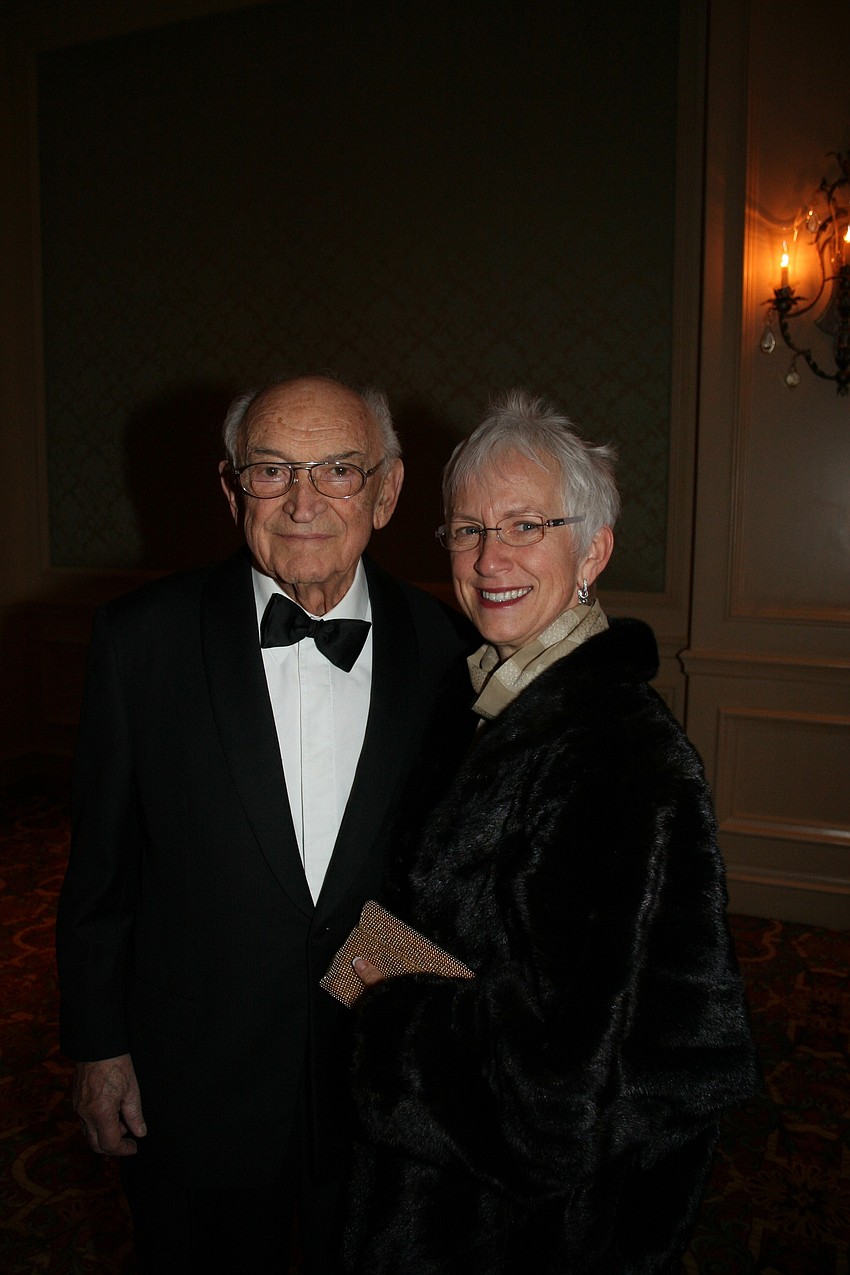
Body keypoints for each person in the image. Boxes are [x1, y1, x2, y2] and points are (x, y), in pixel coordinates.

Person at [56, 374, 476, 1273]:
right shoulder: (141, 642)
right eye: (273, 469)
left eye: (336, 469)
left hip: (379, 1084)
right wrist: (98, 1047)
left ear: (387, 489)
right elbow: (100, 873)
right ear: (230, 487)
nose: (303, 500)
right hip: (194, 1082)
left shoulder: (452, 654)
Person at [347, 390, 761, 1274]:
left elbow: (544, 1104)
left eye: (525, 524)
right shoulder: (493, 702)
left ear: (594, 551)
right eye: (465, 529)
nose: (489, 557)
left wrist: (381, 1000)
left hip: (536, 1229)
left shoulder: (611, 756)